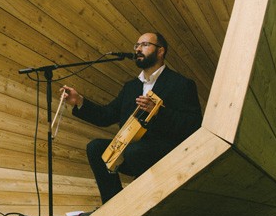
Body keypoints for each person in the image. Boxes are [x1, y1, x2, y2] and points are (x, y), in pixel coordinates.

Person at [60, 32, 202, 203]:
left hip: (165, 151)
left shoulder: (180, 83)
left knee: (135, 151)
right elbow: (106, 115)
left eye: (145, 45)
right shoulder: (131, 87)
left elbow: (193, 124)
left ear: (160, 51)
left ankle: (144, 202)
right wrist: (79, 101)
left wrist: (158, 112)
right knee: (96, 148)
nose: (138, 49)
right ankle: (113, 203)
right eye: (137, 45)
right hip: (132, 150)